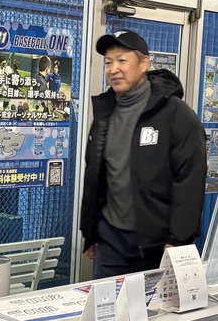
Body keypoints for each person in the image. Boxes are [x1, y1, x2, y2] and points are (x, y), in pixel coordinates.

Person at [80, 30, 207, 278]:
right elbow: (96, 174)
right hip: (111, 240)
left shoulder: (175, 114)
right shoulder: (105, 112)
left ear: (144, 63)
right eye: (108, 62)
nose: (114, 69)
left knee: (153, 304)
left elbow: (189, 180)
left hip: (157, 244)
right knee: (108, 303)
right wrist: (92, 231)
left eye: (122, 60)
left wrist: (178, 241)